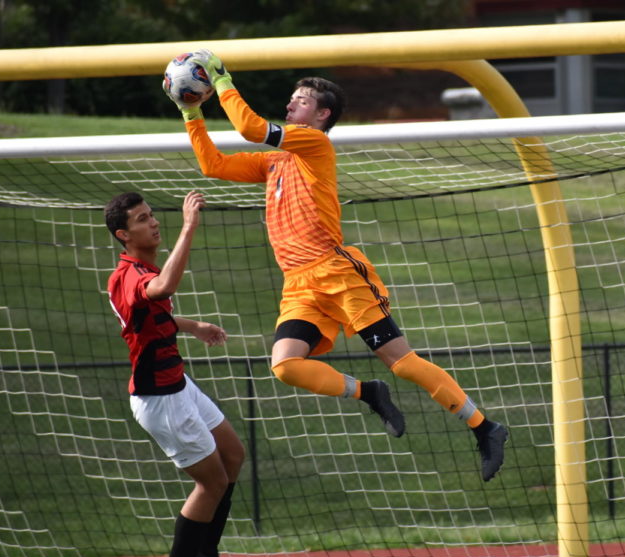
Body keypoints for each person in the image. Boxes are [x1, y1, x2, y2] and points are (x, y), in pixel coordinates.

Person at [165, 50, 508, 481]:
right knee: (286, 366)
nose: (291, 105)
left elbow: (250, 128)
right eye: (292, 99)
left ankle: (485, 427)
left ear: (322, 114)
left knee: (400, 361)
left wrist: (222, 79)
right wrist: (189, 112)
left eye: (301, 101)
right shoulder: (276, 161)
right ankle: (369, 393)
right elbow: (212, 165)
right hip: (299, 285)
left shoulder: (314, 143)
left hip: (337, 272)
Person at [105, 190, 245, 557]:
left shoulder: (134, 271)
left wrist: (192, 325)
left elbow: (153, 314)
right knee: (212, 481)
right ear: (123, 234)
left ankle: (205, 553)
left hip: (178, 385)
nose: (153, 222)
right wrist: (189, 226)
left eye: (152, 215)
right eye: (142, 219)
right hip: (160, 399)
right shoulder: (131, 275)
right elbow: (163, 286)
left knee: (233, 455)